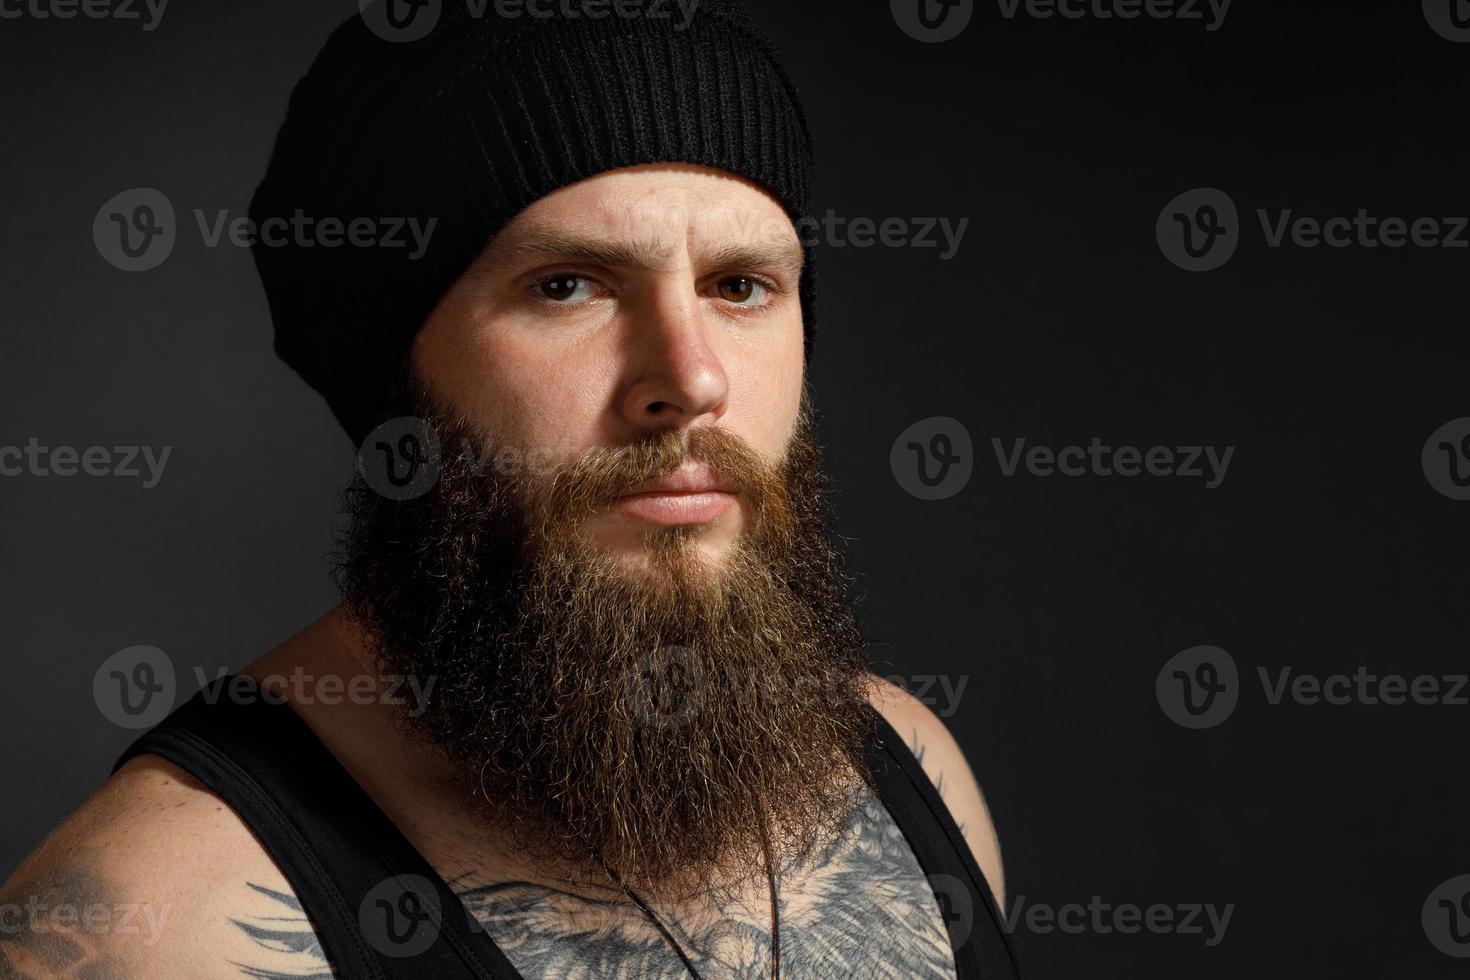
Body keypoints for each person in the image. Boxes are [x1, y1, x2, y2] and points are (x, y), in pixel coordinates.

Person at [1, 2, 1019, 976]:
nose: (691, 378)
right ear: (396, 375)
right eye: (567, 284)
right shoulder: (160, 924)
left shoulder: (911, 767)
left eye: (739, 284)